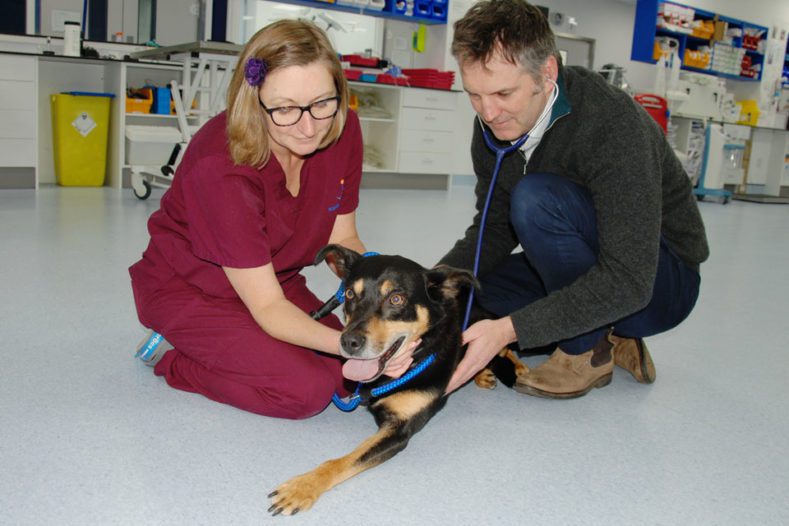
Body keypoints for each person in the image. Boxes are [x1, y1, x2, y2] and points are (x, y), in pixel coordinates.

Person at [129, 20, 412, 420]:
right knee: (305, 391)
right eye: (284, 109)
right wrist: (356, 344)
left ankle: (245, 350)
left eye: (322, 102)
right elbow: (267, 307)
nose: (309, 126)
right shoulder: (222, 167)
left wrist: (385, 301)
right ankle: (174, 358)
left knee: (343, 377)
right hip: (188, 289)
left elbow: (344, 237)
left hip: (274, 279)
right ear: (253, 100)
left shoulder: (342, 130)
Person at [442, 0, 709, 398]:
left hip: (659, 282)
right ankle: (606, 328)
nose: (489, 112)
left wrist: (510, 330)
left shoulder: (613, 125)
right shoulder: (495, 123)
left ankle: (586, 351)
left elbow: (629, 280)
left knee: (536, 200)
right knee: (465, 299)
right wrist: (430, 285)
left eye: (502, 92)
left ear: (546, 72)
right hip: (587, 261)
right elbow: (494, 227)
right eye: (474, 95)